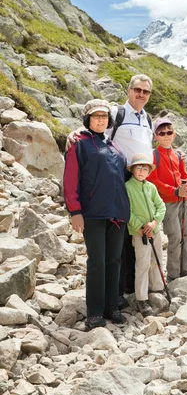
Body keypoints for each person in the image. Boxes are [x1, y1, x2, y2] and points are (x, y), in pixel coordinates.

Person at [66, 74, 154, 303]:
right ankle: (118, 292)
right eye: (138, 90)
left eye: (146, 92)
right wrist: (73, 132)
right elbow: (96, 121)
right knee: (121, 238)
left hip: (140, 179)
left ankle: (129, 287)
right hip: (118, 178)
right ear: (129, 90)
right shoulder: (117, 112)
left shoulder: (148, 119)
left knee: (133, 232)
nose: (141, 94)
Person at [63, 99, 130, 330]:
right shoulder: (79, 144)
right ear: (87, 119)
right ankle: (94, 312)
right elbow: (70, 179)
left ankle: (112, 307)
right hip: (92, 212)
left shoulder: (112, 144)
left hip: (117, 212)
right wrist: (75, 211)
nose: (101, 119)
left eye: (104, 116)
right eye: (96, 116)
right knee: (97, 262)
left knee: (114, 261)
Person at [147, 116, 187, 283]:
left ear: (174, 135)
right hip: (168, 202)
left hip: (183, 200)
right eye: (162, 133)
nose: (166, 135)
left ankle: (186, 270)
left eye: (169, 132)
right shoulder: (153, 155)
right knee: (175, 237)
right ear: (156, 136)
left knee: (186, 234)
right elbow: (154, 181)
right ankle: (173, 274)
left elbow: (185, 176)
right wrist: (175, 191)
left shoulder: (178, 156)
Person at [125, 153, 166, 317]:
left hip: (154, 230)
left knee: (157, 259)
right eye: (138, 167)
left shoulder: (151, 187)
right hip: (139, 233)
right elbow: (126, 211)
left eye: (145, 168)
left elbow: (161, 206)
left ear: (149, 172)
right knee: (142, 263)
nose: (142, 171)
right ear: (133, 170)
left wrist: (155, 223)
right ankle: (141, 298)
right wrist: (139, 227)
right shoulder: (128, 187)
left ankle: (157, 287)